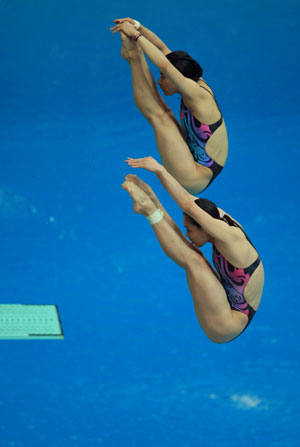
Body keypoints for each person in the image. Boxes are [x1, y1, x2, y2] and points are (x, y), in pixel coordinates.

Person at [122, 156, 264, 343]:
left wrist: (160, 170)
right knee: (194, 255)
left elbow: (187, 205)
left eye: (189, 230)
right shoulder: (216, 217)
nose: (187, 234)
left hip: (227, 324)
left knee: (194, 261)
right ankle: (151, 202)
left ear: (204, 228)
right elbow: (189, 200)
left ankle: (150, 210)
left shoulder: (229, 238)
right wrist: (153, 188)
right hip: (228, 302)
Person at [110, 18, 228, 194]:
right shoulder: (189, 75)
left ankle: (134, 57)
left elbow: (164, 64)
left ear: (177, 78)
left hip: (195, 176)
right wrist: (138, 26)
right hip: (196, 156)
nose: (159, 81)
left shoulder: (197, 94)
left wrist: (135, 35)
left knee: (160, 117)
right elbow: (162, 49)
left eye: (164, 77)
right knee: (163, 110)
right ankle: (134, 54)